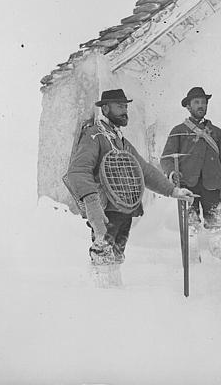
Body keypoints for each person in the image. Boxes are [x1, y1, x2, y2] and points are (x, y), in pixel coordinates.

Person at [65, 89, 195, 285]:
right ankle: (99, 303)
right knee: (102, 261)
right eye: (120, 106)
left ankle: (116, 301)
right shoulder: (95, 136)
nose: (125, 110)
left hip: (124, 210)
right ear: (106, 108)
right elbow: (78, 171)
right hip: (105, 211)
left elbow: (144, 170)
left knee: (115, 261)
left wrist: (173, 191)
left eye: (126, 106)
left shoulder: (120, 140)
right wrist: (92, 205)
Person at [160, 87, 221, 261]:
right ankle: (192, 263)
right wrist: (172, 173)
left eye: (203, 102)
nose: (200, 105)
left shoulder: (216, 133)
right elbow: (166, 158)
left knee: (216, 225)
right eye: (196, 102)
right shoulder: (178, 131)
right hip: (187, 186)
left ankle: (220, 261)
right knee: (190, 227)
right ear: (188, 106)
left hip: (213, 185)